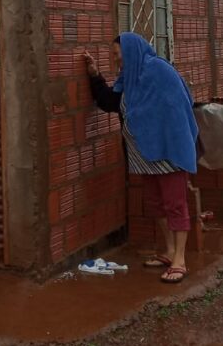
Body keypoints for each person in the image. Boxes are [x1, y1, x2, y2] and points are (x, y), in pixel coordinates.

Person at [84, 33, 198, 284]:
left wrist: (168, 138)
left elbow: (179, 107)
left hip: (169, 151)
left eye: (117, 54)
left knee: (175, 204)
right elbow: (111, 102)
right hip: (145, 154)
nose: (116, 61)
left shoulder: (159, 71)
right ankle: (168, 252)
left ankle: (180, 260)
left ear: (131, 51)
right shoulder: (130, 78)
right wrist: (94, 75)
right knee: (156, 203)